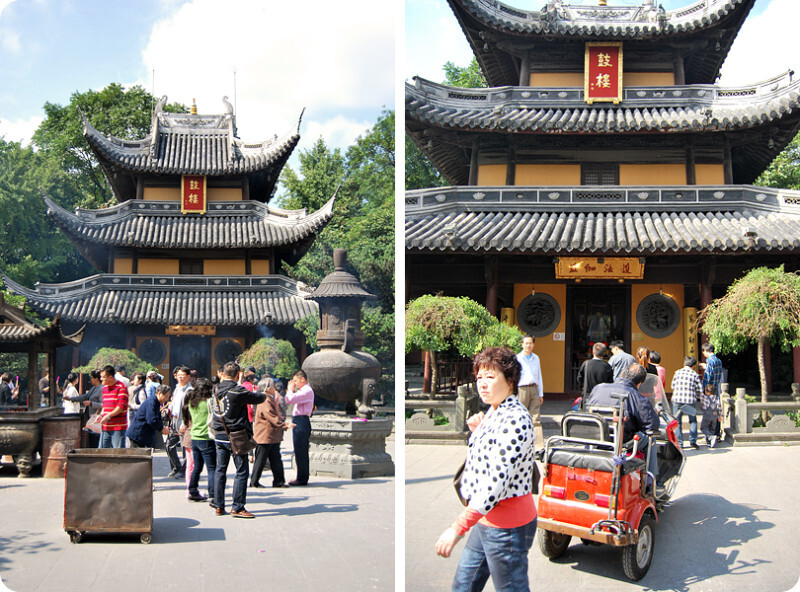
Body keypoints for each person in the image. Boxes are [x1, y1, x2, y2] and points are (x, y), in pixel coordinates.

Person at [435, 347, 537, 591]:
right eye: (479, 377)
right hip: (485, 517)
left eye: (490, 377)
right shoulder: (495, 410)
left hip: (507, 526)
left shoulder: (515, 418)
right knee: (463, 586)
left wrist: (457, 528)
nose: (482, 384)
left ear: (510, 380)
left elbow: (496, 482)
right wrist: (479, 430)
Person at [586, 363, 660, 483]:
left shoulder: (598, 388)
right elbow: (651, 425)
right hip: (622, 441)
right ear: (639, 383)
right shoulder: (635, 396)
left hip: (597, 437)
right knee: (650, 438)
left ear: (622, 374)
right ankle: (650, 482)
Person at [210, 361, 266, 518]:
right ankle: (238, 506)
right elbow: (259, 398)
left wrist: (238, 381)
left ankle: (219, 505)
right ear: (237, 375)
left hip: (219, 435)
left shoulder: (215, 389)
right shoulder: (237, 391)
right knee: (241, 471)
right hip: (236, 436)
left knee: (220, 470)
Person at [251, 376, 291, 488]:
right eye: (272, 385)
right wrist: (284, 424)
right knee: (261, 459)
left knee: (275, 459)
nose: (274, 387)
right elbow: (271, 416)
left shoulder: (268, 397)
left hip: (270, 435)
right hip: (265, 434)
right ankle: (254, 481)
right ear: (267, 388)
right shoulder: (265, 399)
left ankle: (279, 481)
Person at [182, 378, 216, 503]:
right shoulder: (209, 402)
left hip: (194, 437)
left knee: (197, 466)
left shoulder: (192, 402)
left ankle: (192, 490)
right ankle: (213, 494)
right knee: (212, 468)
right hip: (206, 438)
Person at [285, 370, 314, 486]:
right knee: (299, 450)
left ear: (303, 379)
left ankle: (302, 478)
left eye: (296, 381)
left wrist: (290, 390)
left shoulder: (307, 391)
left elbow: (290, 400)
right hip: (300, 420)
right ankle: (301, 476)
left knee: (301, 450)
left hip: (301, 421)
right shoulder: (304, 390)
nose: (295, 383)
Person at [516, 335, 544, 450]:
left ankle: (538, 446)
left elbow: (539, 376)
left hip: (534, 389)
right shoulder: (517, 358)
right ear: (522, 344)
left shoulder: (536, 358)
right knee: (520, 417)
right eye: (526, 343)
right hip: (521, 389)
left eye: (530, 343)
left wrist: (540, 393)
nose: (528, 345)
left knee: (535, 418)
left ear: (533, 345)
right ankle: (520, 444)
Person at [167, 366, 193, 478]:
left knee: (185, 446)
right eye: (179, 375)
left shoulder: (190, 390)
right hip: (174, 420)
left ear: (188, 376)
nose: (180, 377)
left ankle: (184, 469)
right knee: (169, 445)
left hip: (184, 421)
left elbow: (189, 409)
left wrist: (184, 423)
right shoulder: (177, 388)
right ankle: (176, 467)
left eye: (183, 375)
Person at [671, 356, 703, 450]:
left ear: (684, 364)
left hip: (677, 399)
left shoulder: (677, 372)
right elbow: (699, 390)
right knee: (692, 420)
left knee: (677, 422)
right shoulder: (694, 374)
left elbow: (673, 386)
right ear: (693, 366)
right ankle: (692, 440)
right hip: (689, 400)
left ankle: (680, 443)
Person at [96, 365, 129, 448]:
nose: (101, 379)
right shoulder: (104, 388)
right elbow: (105, 406)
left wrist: (107, 416)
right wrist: (101, 415)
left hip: (118, 427)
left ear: (110, 377)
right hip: (105, 427)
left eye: (103, 377)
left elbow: (120, 408)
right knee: (102, 452)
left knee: (118, 453)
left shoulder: (121, 387)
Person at [699, 383, 720, 448]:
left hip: (707, 415)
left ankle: (711, 437)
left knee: (703, 428)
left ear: (706, 391)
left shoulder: (704, 397)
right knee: (711, 429)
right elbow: (719, 407)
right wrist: (720, 416)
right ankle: (709, 442)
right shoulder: (716, 398)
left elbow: (699, 395)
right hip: (715, 416)